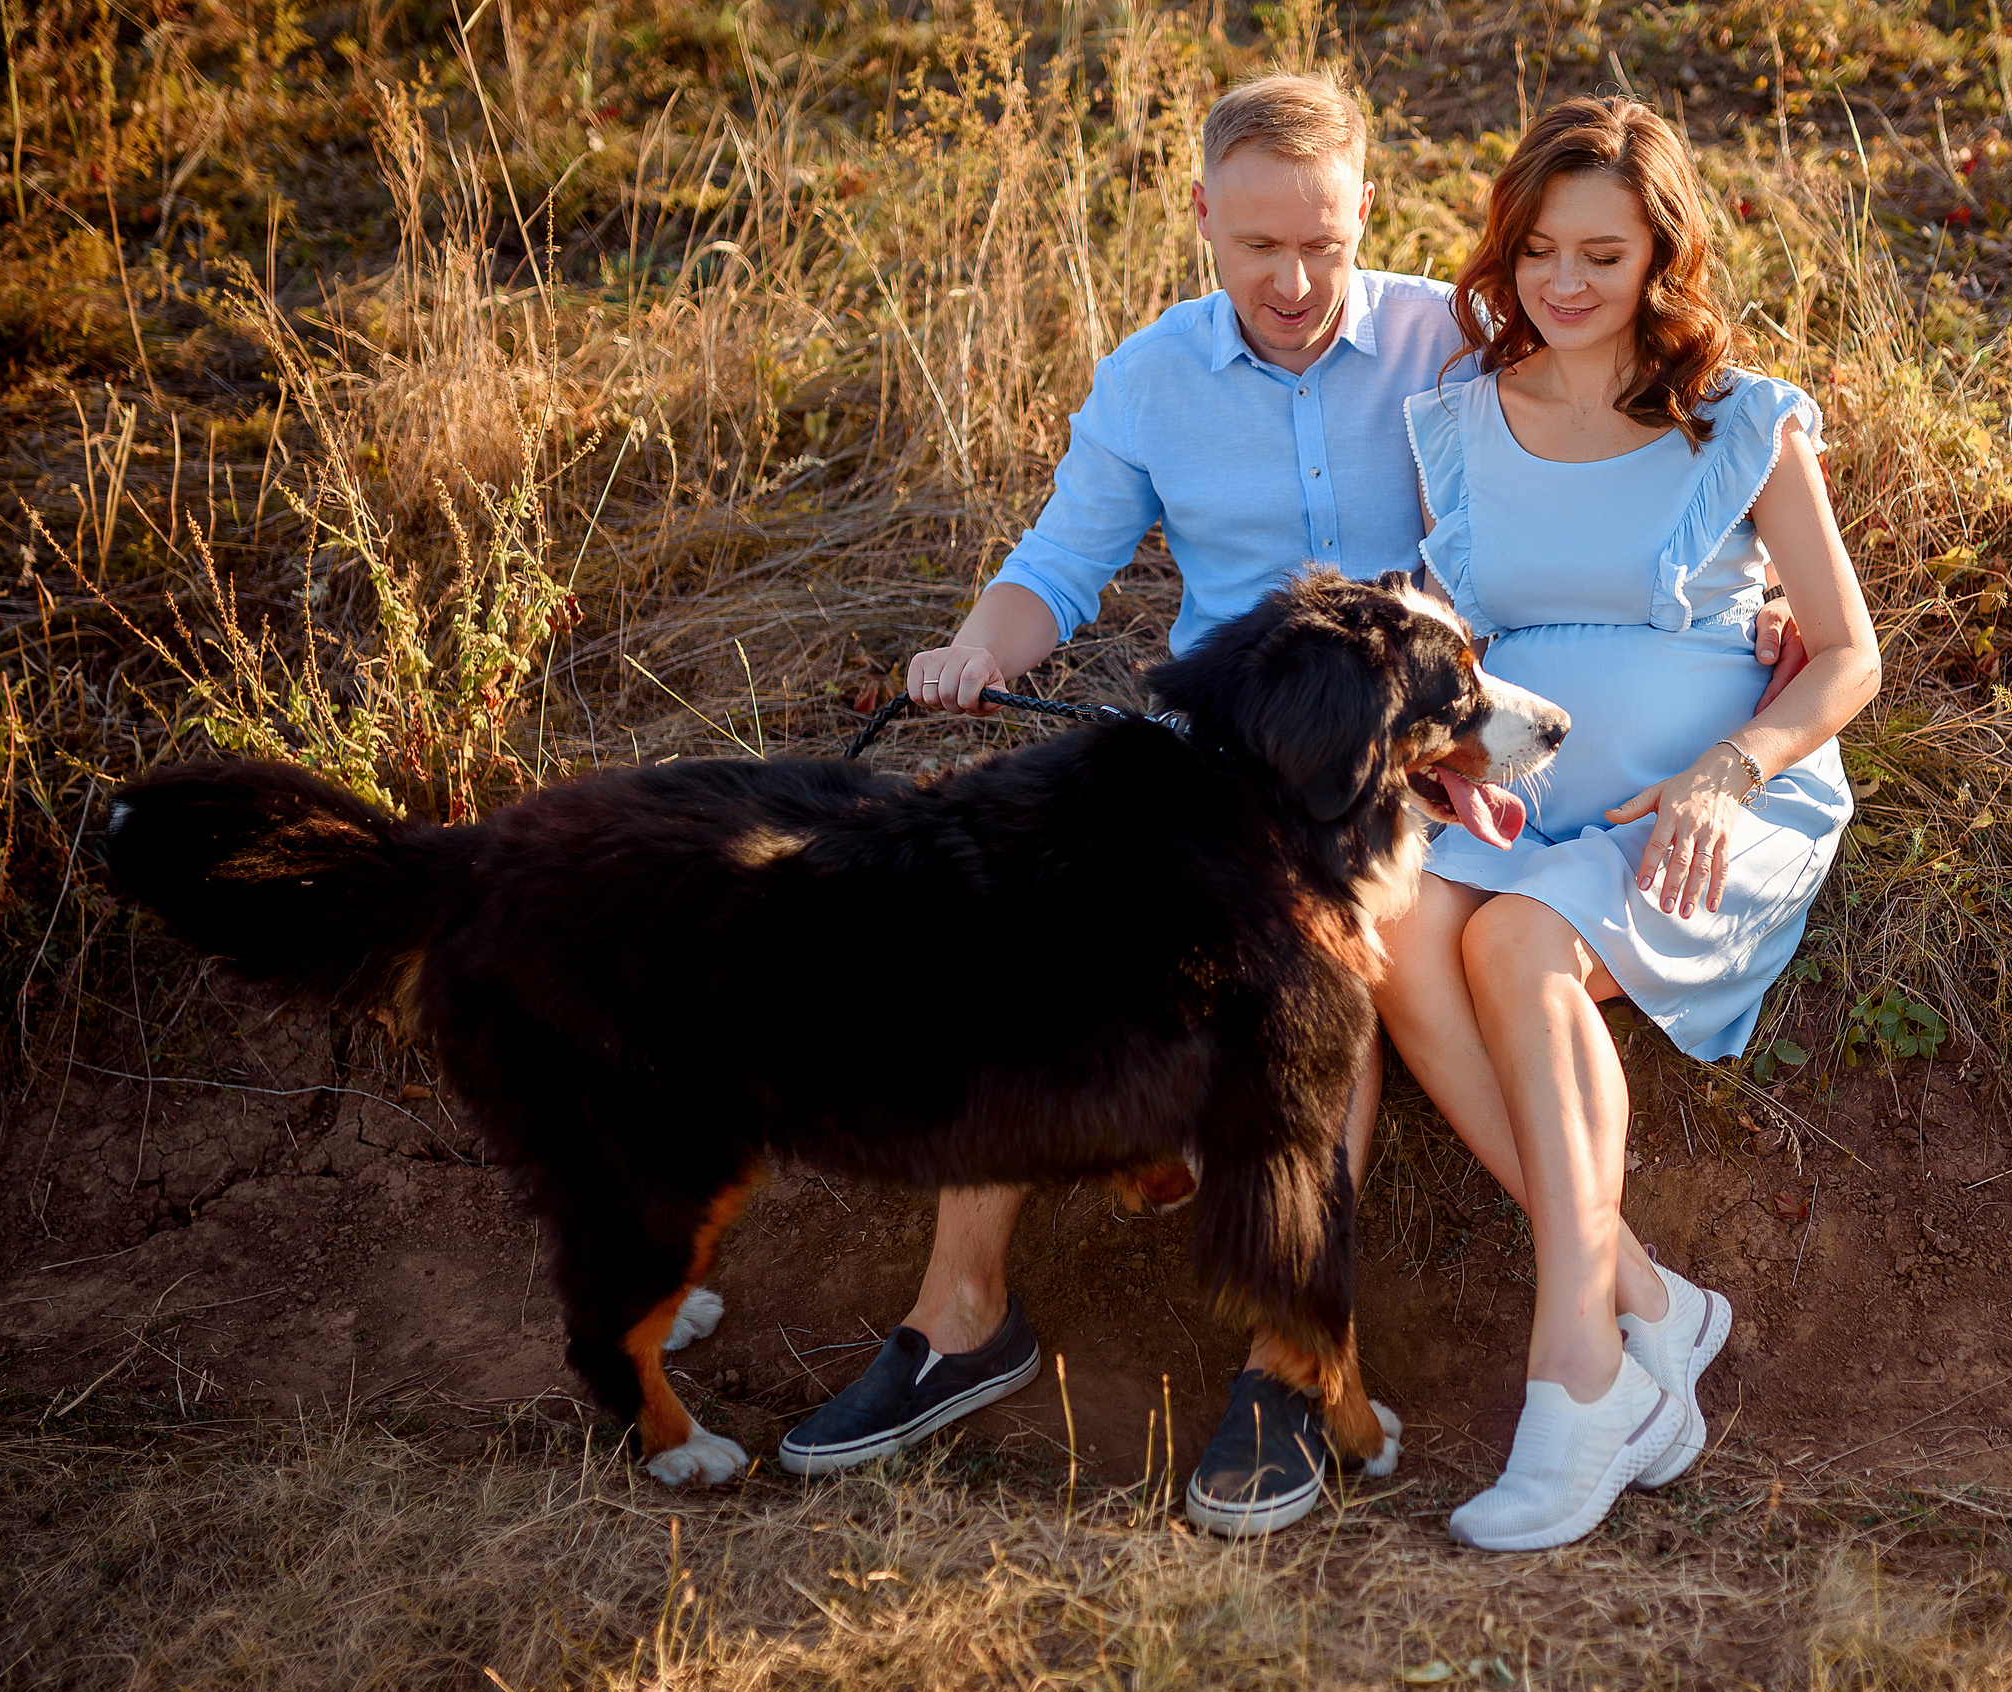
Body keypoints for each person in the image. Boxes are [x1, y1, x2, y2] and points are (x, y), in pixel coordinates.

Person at [777, 72, 1807, 1538]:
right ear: (1201, 218)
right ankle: (959, 1317)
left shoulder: (1457, 337)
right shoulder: (1151, 379)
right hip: (1219, 762)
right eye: (1259, 244)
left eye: (1322, 240)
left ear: (1365, 214)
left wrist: (1741, 606)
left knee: (1323, 978)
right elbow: (1057, 565)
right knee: (1027, 934)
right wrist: (971, 650)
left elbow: (1624, 449)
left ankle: (1290, 1362)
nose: (1296, 278)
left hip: (1403, 767)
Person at [1376, 96, 1883, 1552]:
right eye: (1538, 250)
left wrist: (1728, 771)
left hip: (1709, 799)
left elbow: (1849, 651)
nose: (1566, 281)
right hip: (1526, 794)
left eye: (1602, 251)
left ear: (1663, 251)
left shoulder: (1742, 418)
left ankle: (1582, 1373)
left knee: (1523, 942)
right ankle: (1651, 1292)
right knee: (1405, 928)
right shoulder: (1462, 420)